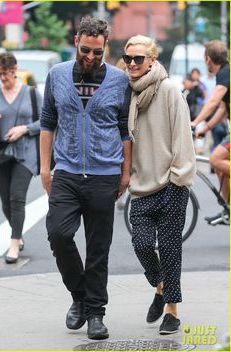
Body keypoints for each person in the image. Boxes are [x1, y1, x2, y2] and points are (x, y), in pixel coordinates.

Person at [40, 16, 131, 340]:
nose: (90, 57)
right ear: (76, 40)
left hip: (104, 173)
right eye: (85, 50)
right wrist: (44, 167)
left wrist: (124, 174)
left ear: (105, 46)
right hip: (65, 170)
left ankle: (95, 314)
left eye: (97, 51)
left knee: (98, 248)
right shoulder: (57, 75)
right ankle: (79, 296)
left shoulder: (120, 80)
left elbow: (124, 129)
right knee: (58, 235)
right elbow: (48, 121)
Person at [122, 35, 196, 335]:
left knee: (169, 248)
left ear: (152, 59)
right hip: (141, 187)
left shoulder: (167, 90)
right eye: (128, 59)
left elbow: (182, 135)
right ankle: (161, 287)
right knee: (140, 244)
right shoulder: (128, 92)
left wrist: (179, 178)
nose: (132, 64)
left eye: (139, 58)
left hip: (170, 185)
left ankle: (172, 310)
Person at [0, 52, 41, 264]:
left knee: (17, 198)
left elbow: (47, 121)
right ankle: (18, 232)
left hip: (26, 154)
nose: (3, 78)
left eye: (6, 73)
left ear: (15, 70)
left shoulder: (31, 93)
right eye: (0, 74)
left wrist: (25, 128)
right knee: (5, 201)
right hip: (1, 155)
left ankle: (14, 242)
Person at [191, 40, 230, 224]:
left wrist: (195, 122)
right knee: (222, 172)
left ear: (208, 58)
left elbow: (213, 102)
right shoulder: (223, 74)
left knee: (215, 160)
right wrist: (204, 128)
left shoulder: (225, 73)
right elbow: (222, 109)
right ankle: (228, 211)